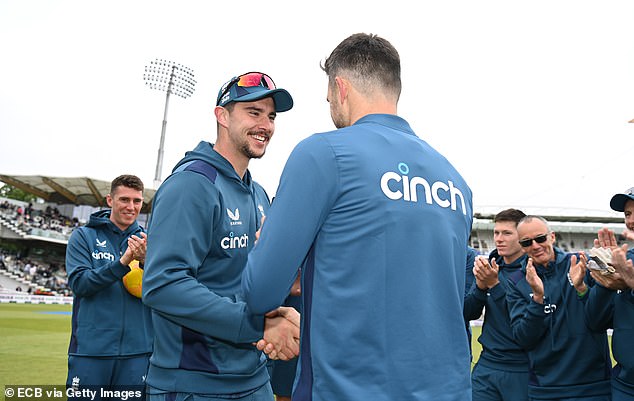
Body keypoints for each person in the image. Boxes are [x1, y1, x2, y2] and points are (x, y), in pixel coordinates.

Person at [242, 33, 474, 401]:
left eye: (329, 97)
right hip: (449, 390)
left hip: (350, 388)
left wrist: (265, 245)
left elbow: (260, 291)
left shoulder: (324, 153)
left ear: (341, 88)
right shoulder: (455, 180)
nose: (330, 105)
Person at [142, 71, 300, 401]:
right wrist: (259, 325)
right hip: (195, 384)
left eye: (270, 116)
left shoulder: (259, 194)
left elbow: (245, 281)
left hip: (253, 377)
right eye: (254, 112)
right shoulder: (191, 185)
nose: (266, 125)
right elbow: (163, 285)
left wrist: (282, 300)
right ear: (222, 115)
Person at [506, 215, 611, 400]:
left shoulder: (581, 263)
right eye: (527, 242)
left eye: (540, 238)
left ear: (552, 237)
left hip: (594, 386)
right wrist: (537, 299)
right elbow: (524, 338)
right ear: (521, 247)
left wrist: (582, 289)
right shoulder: (516, 281)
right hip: (545, 389)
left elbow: (602, 321)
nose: (535, 246)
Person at [65, 174, 151, 396]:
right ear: (110, 200)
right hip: (90, 352)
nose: (131, 207)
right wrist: (122, 263)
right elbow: (80, 284)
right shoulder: (83, 237)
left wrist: (145, 263)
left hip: (138, 353)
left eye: (137, 201)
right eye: (124, 199)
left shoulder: (150, 242)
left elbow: (163, 291)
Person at [464, 208, 529, 401]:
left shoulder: (535, 270)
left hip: (522, 367)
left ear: (522, 236)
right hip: (487, 364)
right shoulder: (489, 267)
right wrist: (481, 288)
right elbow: (469, 313)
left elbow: (526, 322)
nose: (499, 239)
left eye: (507, 233)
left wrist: (495, 286)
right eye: (496, 232)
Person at [584, 187, 634, 400]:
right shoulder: (621, 259)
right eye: (628, 214)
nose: (631, 220)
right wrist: (604, 283)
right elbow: (595, 322)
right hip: (625, 384)